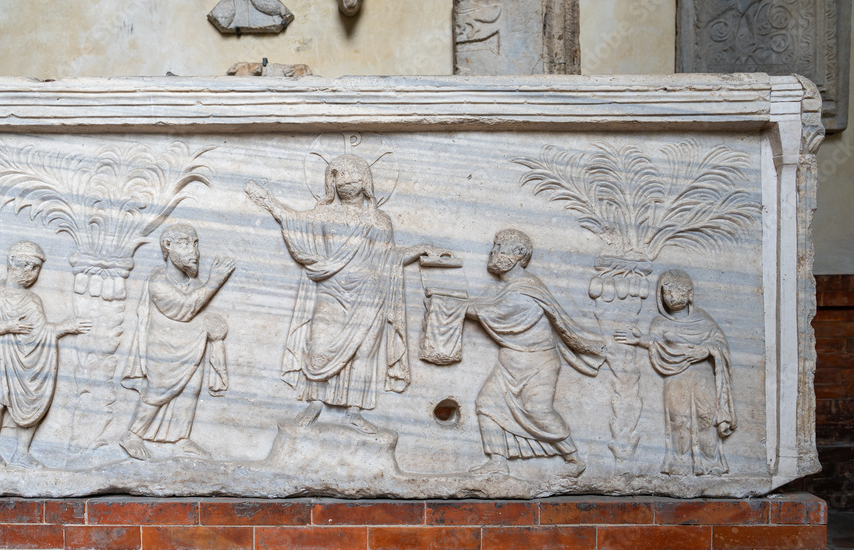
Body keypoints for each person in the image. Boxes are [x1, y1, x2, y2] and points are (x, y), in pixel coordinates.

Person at [246, 153, 433, 435]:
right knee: (319, 343)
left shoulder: (380, 220)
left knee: (364, 352)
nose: (346, 182)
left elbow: (388, 257)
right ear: (331, 181)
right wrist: (268, 200)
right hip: (331, 288)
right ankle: (315, 402)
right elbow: (293, 220)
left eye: (353, 175)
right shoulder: (323, 213)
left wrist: (417, 250)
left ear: (366, 181)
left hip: (369, 294)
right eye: (339, 175)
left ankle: (354, 412)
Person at [457, 229, 605, 477]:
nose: (493, 253)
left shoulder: (527, 289)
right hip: (510, 363)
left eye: (500, 247)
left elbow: (499, 313)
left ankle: (573, 459)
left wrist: (456, 306)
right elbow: (484, 305)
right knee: (487, 404)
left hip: (538, 363)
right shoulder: (502, 288)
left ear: (518, 254)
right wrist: (455, 302)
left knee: (538, 411)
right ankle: (497, 461)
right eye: (494, 247)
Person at [119, 224, 235, 460]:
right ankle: (132, 435)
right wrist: (216, 281)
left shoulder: (192, 283)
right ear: (168, 246)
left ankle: (182, 439)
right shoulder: (158, 280)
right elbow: (184, 309)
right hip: (164, 346)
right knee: (158, 391)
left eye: (195, 243)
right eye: (184, 243)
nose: (193, 250)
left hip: (191, 343)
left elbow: (195, 306)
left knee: (190, 391)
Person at [0, 240, 91, 468]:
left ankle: (21, 453)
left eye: (35, 267)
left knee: (31, 400)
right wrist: (8, 327)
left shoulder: (32, 299)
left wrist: (63, 327)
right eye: (25, 264)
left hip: (26, 359)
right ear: (11, 262)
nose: (29, 272)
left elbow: (40, 331)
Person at [615, 269, 736, 475]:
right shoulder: (659, 322)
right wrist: (639, 340)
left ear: (690, 294)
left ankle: (711, 463)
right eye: (668, 292)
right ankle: (679, 465)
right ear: (661, 295)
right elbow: (657, 344)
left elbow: (720, 343)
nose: (673, 297)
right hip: (675, 377)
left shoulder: (703, 319)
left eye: (679, 292)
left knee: (707, 418)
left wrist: (706, 350)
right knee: (679, 419)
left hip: (703, 375)